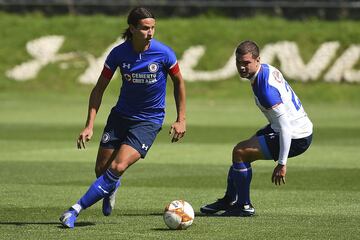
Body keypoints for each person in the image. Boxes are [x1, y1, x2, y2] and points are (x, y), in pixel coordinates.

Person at [59, 7, 186, 228]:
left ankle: (73, 211)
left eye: (153, 27)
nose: (151, 33)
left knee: (117, 167)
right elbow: (99, 89)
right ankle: (111, 187)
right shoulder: (118, 54)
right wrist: (89, 125)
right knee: (102, 170)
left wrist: (181, 118)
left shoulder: (164, 53)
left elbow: (179, 83)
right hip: (120, 116)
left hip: (149, 120)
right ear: (133, 28)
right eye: (146, 28)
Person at [200, 40, 313, 216]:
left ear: (257, 59)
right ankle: (230, 199)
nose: (242, 67)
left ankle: (244, 206)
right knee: (242, 151)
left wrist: (282, 163)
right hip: (291, 127)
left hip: (296, 136)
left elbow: (285, 126)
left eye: (246, 63)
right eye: (239, 62)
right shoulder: (266, 70)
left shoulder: (266, 90)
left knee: (240, 151)